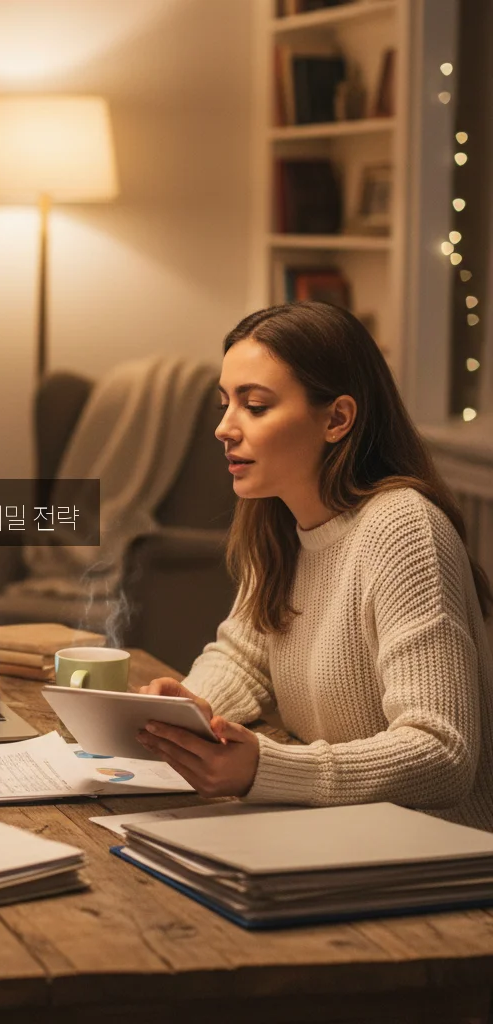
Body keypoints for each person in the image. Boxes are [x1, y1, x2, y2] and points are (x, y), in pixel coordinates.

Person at [137, 301, 493, 832]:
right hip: (341, 833)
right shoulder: (279, 520)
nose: (224, 429)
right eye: (225, 404)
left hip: (440, 858)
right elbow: (246, 657)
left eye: (254, 406)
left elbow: (442, 752)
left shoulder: (403, 528)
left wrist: (267, 766)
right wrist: (194, 708)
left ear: (337, 419)